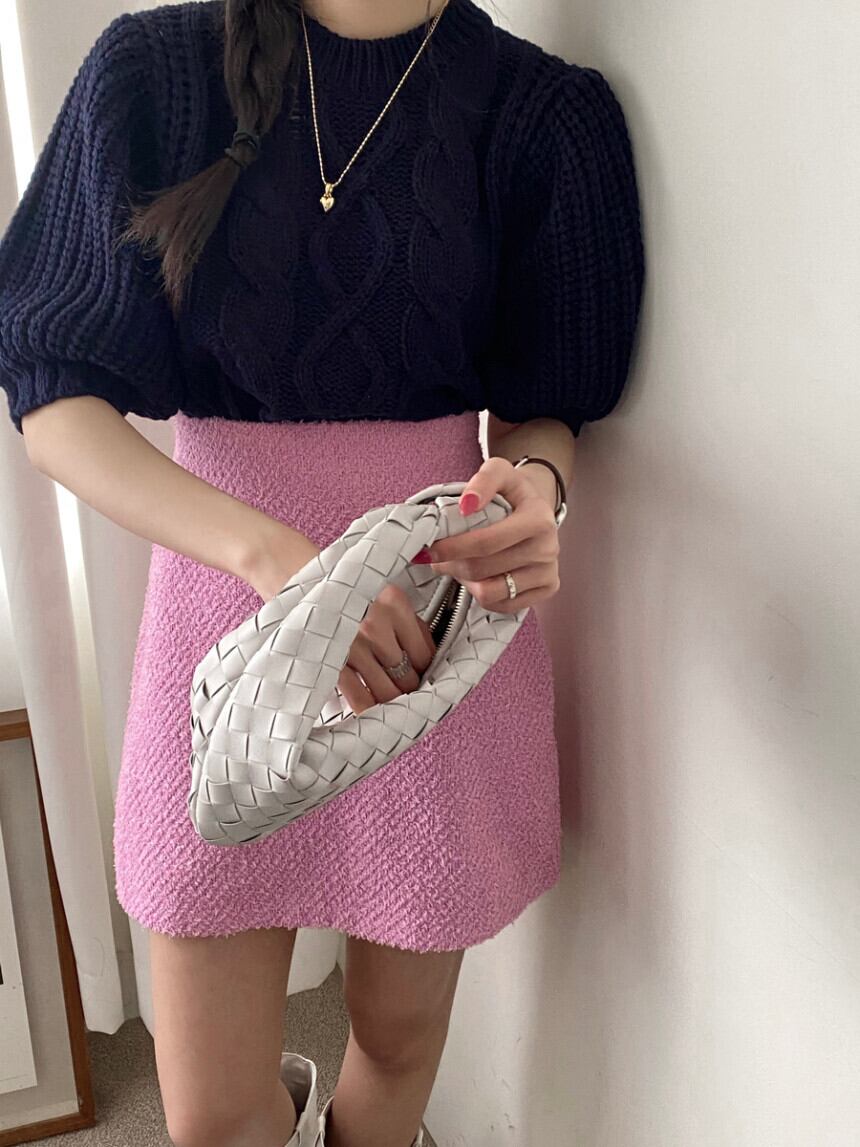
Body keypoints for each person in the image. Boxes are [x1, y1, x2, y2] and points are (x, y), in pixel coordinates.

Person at [0, 1, 644, 1144]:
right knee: (210, 1116)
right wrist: (287, 570)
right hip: (222, 614)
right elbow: (54, 398)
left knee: (395, 1038)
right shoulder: (156, 75)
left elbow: (544, 408)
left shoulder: (540, 114)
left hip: (427, 623)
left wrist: (535, 485)